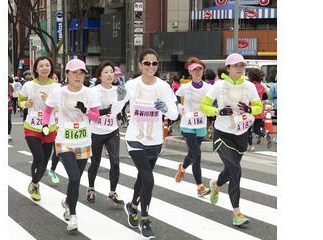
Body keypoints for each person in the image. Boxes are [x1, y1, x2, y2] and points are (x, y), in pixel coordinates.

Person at [111, 48, 178, 239]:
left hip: (155, 141)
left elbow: (174, 113)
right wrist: (120, 95)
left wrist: (165, 109)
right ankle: (145, 219)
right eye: (147, 63)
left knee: (143, 178)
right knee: (149, 179)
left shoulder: (164, 87)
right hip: (135, 139)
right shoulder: (131, 85)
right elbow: (115, 109)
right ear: (140, 65)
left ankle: (132, 206)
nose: (150, 66)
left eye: (154, 63)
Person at [200, 53, 263, 226]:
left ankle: (216, 184)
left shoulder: (249, 86)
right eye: (235, 65)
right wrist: (218, 112)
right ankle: (237, 213)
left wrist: (250, 109)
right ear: (227, 68)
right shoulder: (219, 86)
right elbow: (204, 106)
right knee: (236, 170)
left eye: (242, 65)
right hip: (223, 134)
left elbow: (259, 107)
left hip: (241, 134)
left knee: (230, 170)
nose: (239, 68)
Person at [42, 58, 99, 231]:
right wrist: (45, 124)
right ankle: (73, 217)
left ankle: (68, 202)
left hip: (83, 142)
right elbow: (47, 110)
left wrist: (86, 110)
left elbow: (96, 117)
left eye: (81, 73)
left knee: (76, 180)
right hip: (64, 142)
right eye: (74, 72)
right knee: (74, 177)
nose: (78, 76)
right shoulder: (59, 93)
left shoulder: (90, 93)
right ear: (66, 74)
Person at [18, 56, 60, 202]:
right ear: (36, 69)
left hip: (50, 127)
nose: (44, 68)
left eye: (47, 65)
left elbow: (60, 107)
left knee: (45, 161)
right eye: (41, 66)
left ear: (51, 68)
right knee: (39, 157)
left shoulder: (56, 87)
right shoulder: (28, 85)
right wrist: (25, 105)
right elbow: (19, 101)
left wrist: (50, 100)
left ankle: (34, 183)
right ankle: (35, 184)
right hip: (32, 127)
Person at [86, 60, 124, 206]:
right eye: (106, 72)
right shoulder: (93, 91)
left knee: (115, 162)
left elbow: (119, 109)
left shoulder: (117, 90)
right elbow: (91, 112)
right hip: (96, 132)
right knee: (95, 163)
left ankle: (113, 193)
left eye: (111, 72)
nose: (109, 75)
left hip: (112, 130)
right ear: (100, 75)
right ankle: (91, 189)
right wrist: (107, 110)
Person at [174, 57, 212, 197]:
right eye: (194, 70)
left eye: (199, 69)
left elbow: (214, 101)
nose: (197, 72)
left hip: (201, 123)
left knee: (192, 154)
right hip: (187, 124)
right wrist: (178, 106)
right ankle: (200, 187)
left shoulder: (208, 87)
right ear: (190, 72)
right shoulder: (185, 87)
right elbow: (175, 98)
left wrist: (213, 108)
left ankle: (182, 168)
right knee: (197, 154)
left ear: (203, 71)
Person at [247, 68, 272, 150]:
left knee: (248, 130)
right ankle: (265, 136)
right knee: (257, 129)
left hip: (250, 110)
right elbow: (265, 97)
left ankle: (251, 146)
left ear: (250, 77)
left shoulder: (249, 86)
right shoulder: (261, 86)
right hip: (259, 110)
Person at [48, 70, 62, 184]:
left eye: (56, 78)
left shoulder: (62, 92)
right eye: (52, 78)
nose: (54, 81)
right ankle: (41, 164)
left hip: (59, 128)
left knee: (57, 151)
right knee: (45, 151)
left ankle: (52, 170)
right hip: (47, 127)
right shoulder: (44, 93)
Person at [8, 76, 14, 141]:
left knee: (9, 120)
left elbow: (12, 95)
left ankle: (8, 134)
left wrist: (11, 95)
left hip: (8, 105)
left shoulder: (10, 86)